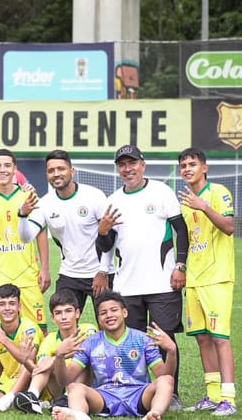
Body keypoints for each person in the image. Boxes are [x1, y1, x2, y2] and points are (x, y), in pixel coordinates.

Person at [96, 145, 188, 405]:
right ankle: (136, 392)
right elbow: (105, 247)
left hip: (162, 283)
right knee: (131, 344)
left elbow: (181, 230)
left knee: (163, 340)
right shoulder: (113, 200)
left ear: (142, 164)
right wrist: (102, 232)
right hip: (127, 286)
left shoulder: (161, 191)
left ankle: (171, 394)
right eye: (122, 165)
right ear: (118, 169)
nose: (128, 169)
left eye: (132, 163)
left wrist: (180, 265)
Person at [50, 291, 176, 420]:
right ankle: (80, 416)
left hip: (139, 395)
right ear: (99, 318)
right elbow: (65, 380)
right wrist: (59, 356)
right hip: (103, 397)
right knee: (74, 388)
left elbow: (164, 375)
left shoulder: (143, 339)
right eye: (103, 313)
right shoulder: (90, 342)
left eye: (114, 310)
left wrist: (172, 351)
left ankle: (153, 414)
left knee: (167, 381)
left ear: (124, 312)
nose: (109, 315)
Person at [177, 147, 237, 415]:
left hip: (218, 277)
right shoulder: (184, 202)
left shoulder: (219, 192)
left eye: (192, 164)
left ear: (205, 167)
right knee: (202, 338)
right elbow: (188, 240)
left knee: (220, 338)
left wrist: (204, 206)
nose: (187, 169)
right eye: (183, 166)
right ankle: (212, 396)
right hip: (194, 279)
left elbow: (229, 226)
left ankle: (229, 398)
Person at [18, 149, 113, 314]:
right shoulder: (44, 203)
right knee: (64, 323)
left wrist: (103, 270)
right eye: (51, 170)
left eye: (61, 169)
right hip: (69, 275)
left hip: (101, 273)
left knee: (109, 326)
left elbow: (110, 235)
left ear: (72, 171)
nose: (56, 174)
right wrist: (23, 215)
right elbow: (26, 237)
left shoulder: (94, 196)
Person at [0, 149, 50, 331]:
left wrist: (44, 268)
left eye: (7, 166)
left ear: (15, 169)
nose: (2, 170)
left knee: (39, 327)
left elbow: (41, 232)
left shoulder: (28, 196)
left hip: (27, 273)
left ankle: (39, 361)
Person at [12, 288, 97, 414]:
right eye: (58, 313)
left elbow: (87, 351)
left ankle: (68, 398)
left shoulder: (88, 329)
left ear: (77, 313)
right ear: (53, 317)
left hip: (83, 388)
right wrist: (25, 361)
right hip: (59, 387)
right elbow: (39, 368)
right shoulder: (50, 339)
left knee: (84, 360)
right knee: (45, 361)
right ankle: (32, 396)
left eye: (68, 311)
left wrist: (57, 357)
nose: (64, 317)